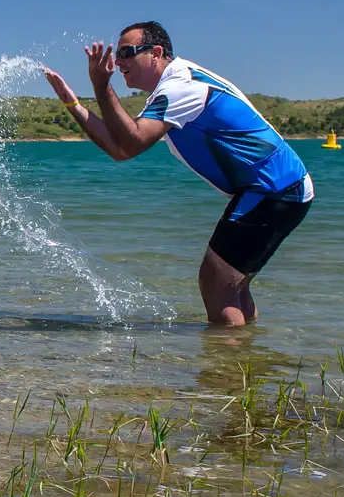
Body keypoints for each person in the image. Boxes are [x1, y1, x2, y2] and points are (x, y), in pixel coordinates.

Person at [42, 22, 312, 327]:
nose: (118, 63)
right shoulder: (170, 90)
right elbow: (120, 150)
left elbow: (131, 142)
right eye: (118, 55)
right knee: (231, 283)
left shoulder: (181, 86)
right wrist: (72, 103)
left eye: (127, 53)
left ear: (156, 53)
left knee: (216, 281)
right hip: (280, 187)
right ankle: (246, 363)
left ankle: (225, 371)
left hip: (272, 187)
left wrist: (102, 86)